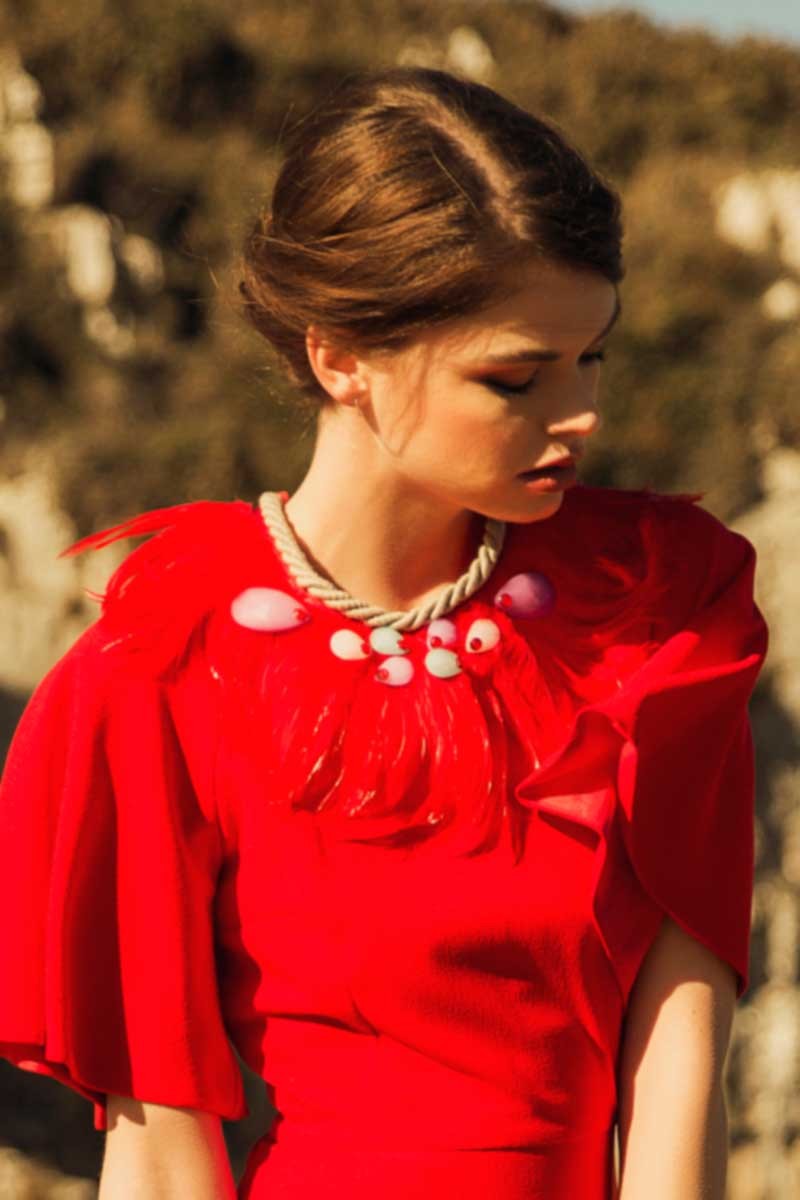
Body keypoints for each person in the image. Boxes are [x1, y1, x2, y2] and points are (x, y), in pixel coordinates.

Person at [0, 66, 767, 1200]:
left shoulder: (654, 603)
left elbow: (680, 1040)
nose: (580, 413)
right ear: (339, 357)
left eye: (589, 355)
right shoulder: (157, 673)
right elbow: (159, 1153)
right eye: (514, 377)